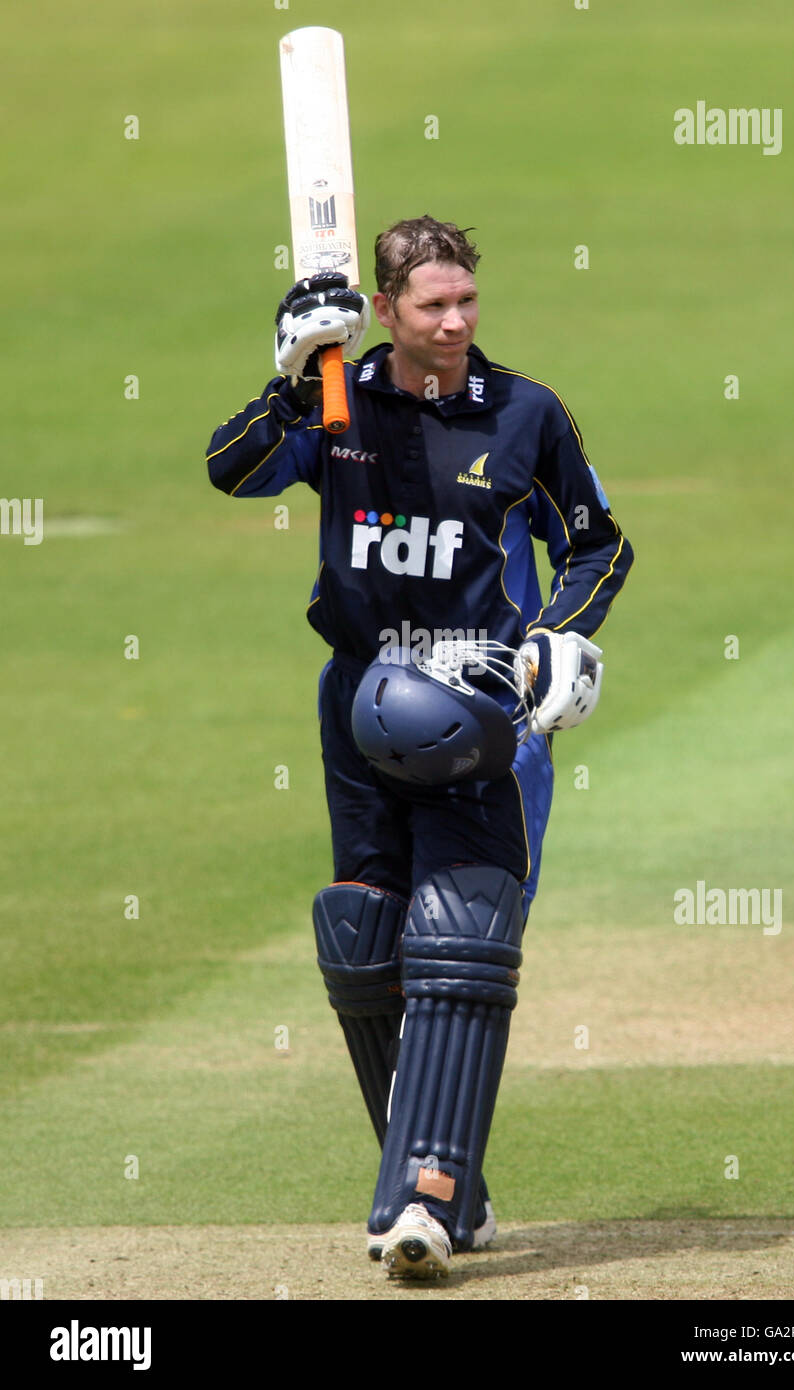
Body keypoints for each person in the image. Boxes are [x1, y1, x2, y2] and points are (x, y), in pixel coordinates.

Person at [206, 216, 633, 1279]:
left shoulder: (523, 413)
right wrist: (290, 377)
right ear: (384, 310)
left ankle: (423, 1198)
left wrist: (554, 636)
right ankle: (455, 1190)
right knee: (364, 937)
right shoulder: (339, 401)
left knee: (460, 934)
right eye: (431, 306)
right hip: (356, 702)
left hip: (478, 705)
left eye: (466, 302)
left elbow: (597, 544)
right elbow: (232, 470)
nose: (454, 323)